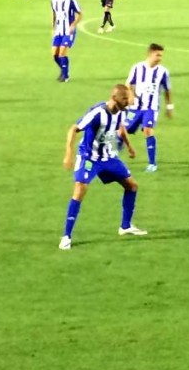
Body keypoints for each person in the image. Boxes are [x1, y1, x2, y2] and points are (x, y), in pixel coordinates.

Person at [59, 84, 145, 251]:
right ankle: (66, 236)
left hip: (108, 157)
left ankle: (125, 226)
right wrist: (68, 154)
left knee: (132, 186)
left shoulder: (121, 111)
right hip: (89, 157)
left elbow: (121, 128)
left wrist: (130, 147)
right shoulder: (97, 113)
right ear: (115, 98)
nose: (128, 101)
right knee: (79, 190)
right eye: (125, 98)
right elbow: (73, 129)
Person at [125, 44, 173, 173]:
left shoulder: (163, 71)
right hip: (135, 108)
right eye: (158, 55)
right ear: (150, 54)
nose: (160, 58)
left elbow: (168, 90)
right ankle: (111, 157)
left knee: (147, 130)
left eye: (161, 55)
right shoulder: (137, 68)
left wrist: (169, 107)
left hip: (151, 108)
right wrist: (130, 97)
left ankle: (152, 163)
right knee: (124, 130)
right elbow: (129, 84)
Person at [51, 0, 82, 82]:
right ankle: (64, 71)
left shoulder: (71, 1)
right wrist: (53, 28)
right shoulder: (53, 1)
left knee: (62, 52)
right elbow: (54, 14)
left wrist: (73, 25)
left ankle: (65, 76)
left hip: (68, 31)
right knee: (54, 55)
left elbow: (80, 14)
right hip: (58, 30)